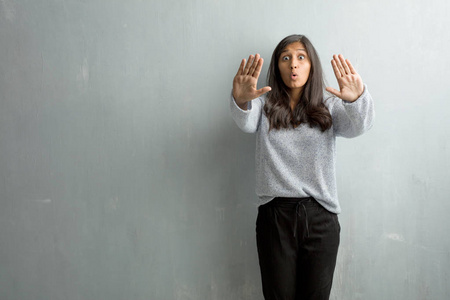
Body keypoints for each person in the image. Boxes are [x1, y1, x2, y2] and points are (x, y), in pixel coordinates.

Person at [229, 34, 374, 300]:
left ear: (311, 66)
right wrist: (240, 101)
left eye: (300, 57)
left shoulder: (329, 107)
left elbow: (360, 126)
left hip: (321, 217)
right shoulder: (264, 106)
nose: (293, 64)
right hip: (275, 217)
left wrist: (356, 99)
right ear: (277, 67)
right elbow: (246, 122)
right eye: (285, 58)